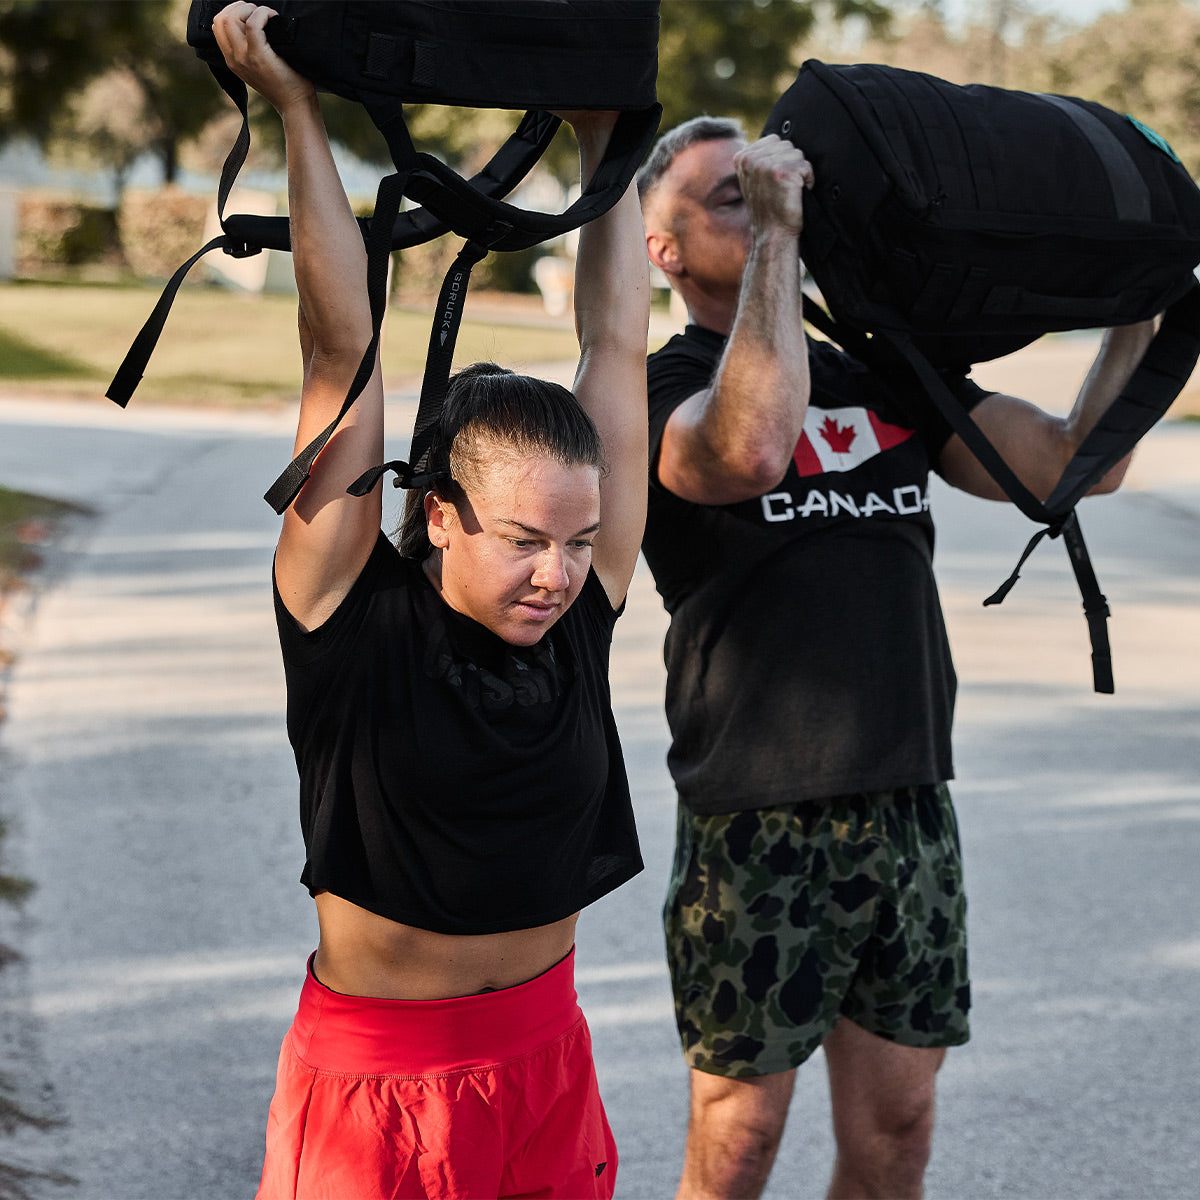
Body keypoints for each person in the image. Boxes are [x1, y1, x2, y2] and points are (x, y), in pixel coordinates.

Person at [637, 116, 1156, 1200]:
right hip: (755, 816)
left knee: (901, 1131)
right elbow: (749, 447)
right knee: (737, 1142)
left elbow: (1070, 465)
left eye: (768, 188)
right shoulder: (660, 391)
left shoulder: (883, 375)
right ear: (665, 249)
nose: (760, 199)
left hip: (909, 800)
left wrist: (1140, 295)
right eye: (727, 197)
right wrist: (782, 239)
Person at [211, 5, 650, 1198]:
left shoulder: (585, 609)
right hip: (378, 1089)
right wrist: (301, 111)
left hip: (546, 1064)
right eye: (523, 540)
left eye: (579, 541)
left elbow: (614, 347)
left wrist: (608, 150)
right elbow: (336, 348)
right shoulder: (346, 604)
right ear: (440, 513)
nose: (557, 573)